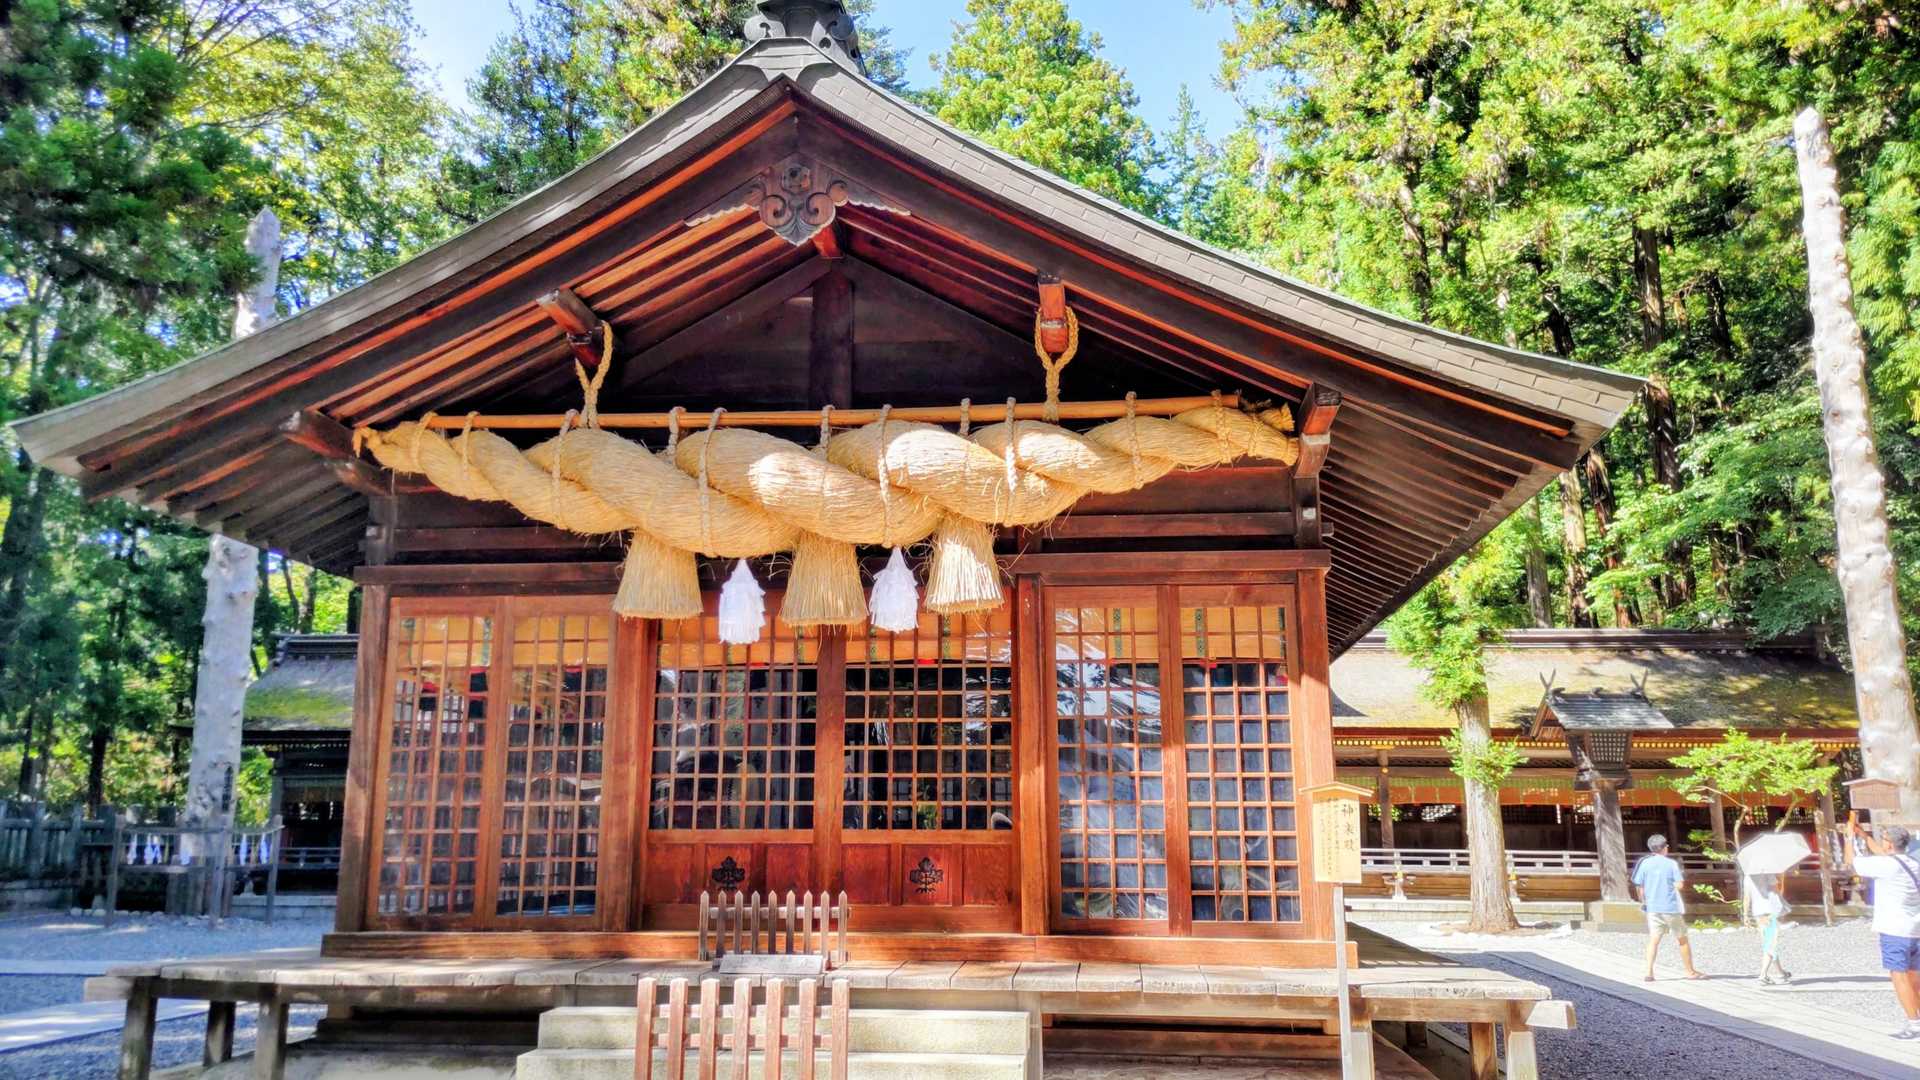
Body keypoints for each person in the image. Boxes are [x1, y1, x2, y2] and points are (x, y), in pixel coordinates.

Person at [1847, 823, 1920, 1040]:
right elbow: (1882, 852)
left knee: (1899, 976)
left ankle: (1914, 1024)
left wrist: (1849, 838)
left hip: (1894, 930)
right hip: (1915, 928)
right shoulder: (1912, 863)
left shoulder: (1887, 866)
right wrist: (1863, 835)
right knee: (1915, 978)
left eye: (1884, 839)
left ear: (1889, 843)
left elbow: (1851, 861)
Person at [1633, 833, 1705, 981]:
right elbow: (1679, 884)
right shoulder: (1671, 864)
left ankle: (1649, 972)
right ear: (1665, 848)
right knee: (1682, 939)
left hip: (1652, 907)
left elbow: (1639, 885)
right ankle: (1690, 971)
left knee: (1654, 939)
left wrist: (1643, 901)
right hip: (1670, 906)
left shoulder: (1645, 863)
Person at [1745, 872, 1791, 985]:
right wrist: (1781, 907)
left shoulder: (1747, 876)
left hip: (1757, 912)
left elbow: (1746, 897)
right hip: (1769, 910)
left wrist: (1745, 915)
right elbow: (1775, 892)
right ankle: (1763, 975)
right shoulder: (1767, 874)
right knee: (1770, 944)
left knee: (1768, 943)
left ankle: (1780, 972)